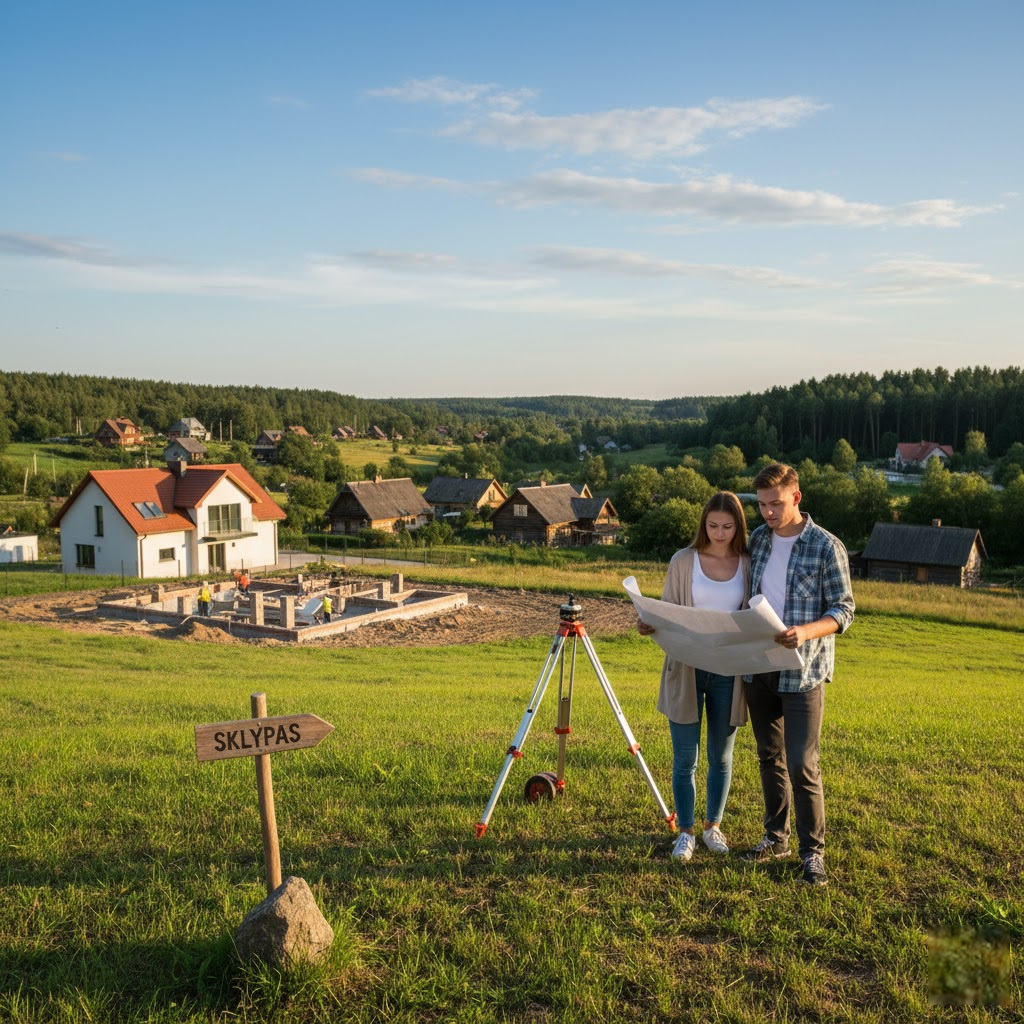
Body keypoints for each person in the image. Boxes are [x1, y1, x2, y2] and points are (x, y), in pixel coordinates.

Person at [741, 462, 854, 887]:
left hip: (804, 673)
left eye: (776, 503)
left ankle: (813, 853)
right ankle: (776, 838)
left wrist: (805, 632)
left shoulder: (827, 547)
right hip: (759, 668)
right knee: (769, 758)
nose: (768, 512)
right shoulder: (758, 540)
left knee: (803, 764)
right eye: (762, 505)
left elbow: (844, 609)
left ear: (796, 498)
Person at [637, 491, 750, 863]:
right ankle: (685, 831)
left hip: (729, 672)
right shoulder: (683, 561)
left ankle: (712, 827)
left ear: (738, 527)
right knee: (685, 757)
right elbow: (668, 611)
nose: (719, 533)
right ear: (703, 524)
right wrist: (650, 623)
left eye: (727, 527)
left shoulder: (748, 563)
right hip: (685, 669)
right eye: (713, 525)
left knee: (721, 757)